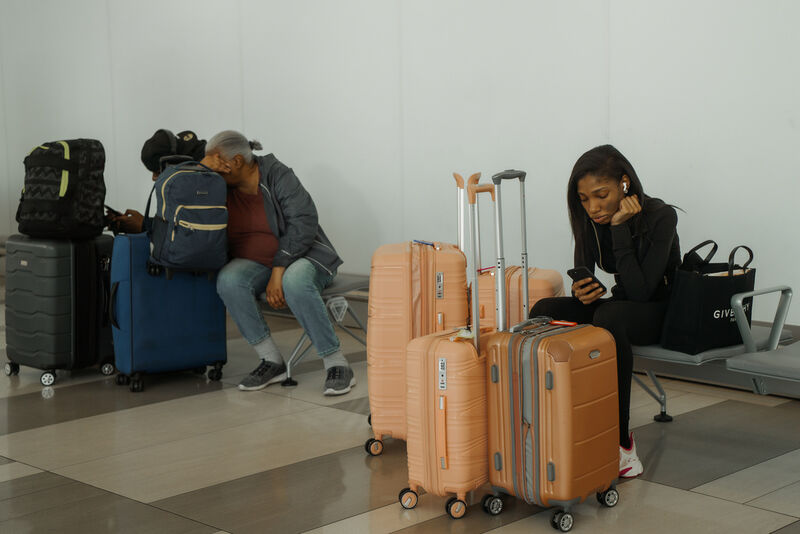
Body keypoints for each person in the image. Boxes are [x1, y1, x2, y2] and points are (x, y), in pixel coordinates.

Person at [529, 144, 680, 479]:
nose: (593, 207)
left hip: (661, 312)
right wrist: (582, 291)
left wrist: (619, 227)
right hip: (622, 307)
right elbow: (584, 272)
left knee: (609, 318)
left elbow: (643, 292)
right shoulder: (590, 220)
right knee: (543, 310)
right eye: (584, 199)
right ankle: (548, 425)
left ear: (624, 183)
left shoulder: (662, 216)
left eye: (601, 195)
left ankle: (622, 444)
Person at [200, 130, 354, 396]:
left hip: (305, 256)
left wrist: (279, 269)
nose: (215, 174)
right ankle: (271, 360)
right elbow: (190, 185)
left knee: (295, 281)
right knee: (229, 280)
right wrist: (202, 167)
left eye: (218, 165)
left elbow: (304, 222)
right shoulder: (221, 186)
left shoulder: (277, 175)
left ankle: (336, 363)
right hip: (257, 263)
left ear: (236, 162)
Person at [107, 129, 206, 233]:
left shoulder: (205, 175)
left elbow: (195, 233)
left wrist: (146, 225)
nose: (153, 178)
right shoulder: (188, 171)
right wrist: (144, 223)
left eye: (158, 171)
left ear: (175, 161)